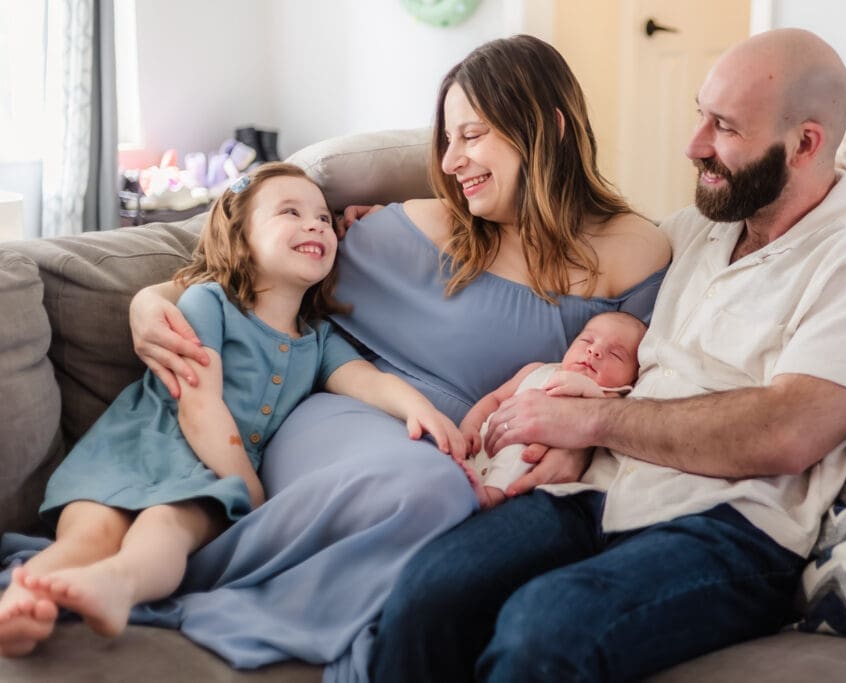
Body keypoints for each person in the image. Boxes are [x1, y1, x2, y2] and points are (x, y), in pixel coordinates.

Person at [0, 36, 670, 679]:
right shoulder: (410, 227)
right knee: (432, 489)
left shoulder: (640, 250)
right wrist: (149, 304)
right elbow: (243, 273)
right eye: (447, 140)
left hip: (457, 443)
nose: (453, 159)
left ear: (547, 127)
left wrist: (582, 440)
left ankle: (133, 570)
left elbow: (644, 377)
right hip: (346, 409)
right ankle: (157, 570)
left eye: (473, 135)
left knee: (453, 498)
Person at [370, 28, 846, 683]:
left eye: (723, 126)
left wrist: (586, 423)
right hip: (596, 491)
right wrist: (389, 230)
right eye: (700, 113)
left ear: (806, 143)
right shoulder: (694, 230)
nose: (693, 144)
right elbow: (556, 243)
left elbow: (785, 429)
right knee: (426, 591)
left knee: (545, 628)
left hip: (727, 528)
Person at [0, 162, 465, 654]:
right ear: (241, 241)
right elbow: (197, 405)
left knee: (165, 529)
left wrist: (417, 407)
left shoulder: (319, 339)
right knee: (87, 536)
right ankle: (20, 603)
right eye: (291, 212)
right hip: (131, 449)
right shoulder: (209, 302)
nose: (315, 224)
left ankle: (117, 585)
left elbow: (367, 380)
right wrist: (252, 494)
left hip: (202, 480)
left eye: (324, 219)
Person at [459, 311, 646, 508]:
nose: (594, 351)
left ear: (633, 378)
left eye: (615, 354)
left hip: (523, 465)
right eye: (586, 340)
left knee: (523, 450)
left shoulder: (609, 396)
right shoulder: (536, 370)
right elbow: (495, 399)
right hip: (479, 450)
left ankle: (493, 495)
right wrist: (469, 426)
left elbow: (603, 420)